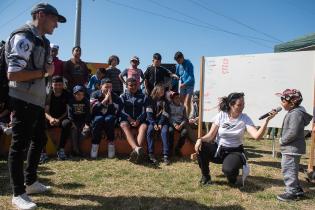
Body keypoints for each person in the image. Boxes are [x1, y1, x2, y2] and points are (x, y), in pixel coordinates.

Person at [5, 3, 66, 209]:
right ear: (41, 15)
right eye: (55, 20)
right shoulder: (24, 37)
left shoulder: (43, 41)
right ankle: (18, 193)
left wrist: (46, 73)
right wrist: (44, 73)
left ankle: (30, 182)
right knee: (19, 145)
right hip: (22, 98)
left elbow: (46, 68)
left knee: (39, 139)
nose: (56, 25)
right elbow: (13, 74)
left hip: (37, 100)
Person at [195, 92, 276, 186]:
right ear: (231, 105)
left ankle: (232, 177)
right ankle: (206, 176)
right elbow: (210, 136)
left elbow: (256, 136)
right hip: (219, 150)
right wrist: (200, 139)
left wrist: (266, 121)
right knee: (201, 146)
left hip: (234, 151)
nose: (242, 107)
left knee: (228, 170)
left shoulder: (245, 118)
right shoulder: (221, 115)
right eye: (239, 105)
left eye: (243, 104)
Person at [276, 89, 312, 202]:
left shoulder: (295, 114)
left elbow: (293, 132)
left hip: (291, 148)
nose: (281, 102)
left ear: (292, 103)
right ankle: (296, 188)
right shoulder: (296, 111)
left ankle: (292, 192)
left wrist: (283, 140)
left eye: (283, 100)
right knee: (292, 169)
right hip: (293, 148)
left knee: (288, 169)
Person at [40, 76, 70, 162]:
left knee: (67, 123)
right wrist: (51, 119)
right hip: (49, 118)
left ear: (62, 85)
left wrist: (58, 120)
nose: (57, 87)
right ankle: (43, 153)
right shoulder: (48, 94)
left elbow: (67, 111)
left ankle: (61, 150)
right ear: (51, 85)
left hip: (62, 118)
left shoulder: (67, 94)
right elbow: (45, 111)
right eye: (55, 85)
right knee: (40, 124)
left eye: (60, 85)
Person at [90, 78, 121, 159]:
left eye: (110, 87)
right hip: (97, 116)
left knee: (109, 119)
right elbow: (94, 110)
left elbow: (114, 112)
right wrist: (105, 100)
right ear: (101, 86)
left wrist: (110, 100)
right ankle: (95, 145)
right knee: (98, 119)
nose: (108, 89)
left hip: (109, 116)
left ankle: (111, 144)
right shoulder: (94, 94)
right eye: (106, 87)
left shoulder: (115, 96)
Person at [57, 85, 90, 158]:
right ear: (74, 94)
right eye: (78, 94)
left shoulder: (86, 101)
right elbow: (70, 114)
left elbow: (88, 114)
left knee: (86, 131)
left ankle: (76, 149)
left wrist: (87, 124)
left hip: (83, 122)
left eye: (82, 94)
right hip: (74, 121)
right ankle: (75, 150)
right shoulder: (71, 102)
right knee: (74, 130)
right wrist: (72, 123)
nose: (80, 96)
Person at [120, 78, 148, 163]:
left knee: (144, 126)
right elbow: (120, 111)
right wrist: (129, 119)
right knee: (123, 125)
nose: (133, 87)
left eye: (135, 85)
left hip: (139, 120)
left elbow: (144, 111)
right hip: (127, 119)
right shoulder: (122, 96)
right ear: (127, 86)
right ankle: (136, 149)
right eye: (131, 85)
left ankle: (135, 152)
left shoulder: (143, 96)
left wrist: (138, 120)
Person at [146, 84, 171, 165]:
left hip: (163, 122)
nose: (163, 92)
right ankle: (150, 154)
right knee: (150, 131)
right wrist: (153, 124)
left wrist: (160, 123)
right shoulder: (150, 100)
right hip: (152, 121)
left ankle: (166, 155)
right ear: (156, 90)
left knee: (164, 132)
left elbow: (166, 113)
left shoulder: (165, 101)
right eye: (161, 90)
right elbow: (149, 113)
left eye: (163, 90)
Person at [168, 92, 192, 157]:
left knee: (185, 132)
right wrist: (175, 124)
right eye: (175, 98)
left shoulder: (183, 107)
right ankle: (170, 149)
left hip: (180, 123)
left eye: (178, 97)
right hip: (172, 123)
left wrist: (181, 125)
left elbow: (185, 118)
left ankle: (178, 148)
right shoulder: (169, 106)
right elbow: (169, 117)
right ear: (172, 99)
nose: (177, 99)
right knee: (170, 131)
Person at [174, 51, 195, 117]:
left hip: (190, 85)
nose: (178, 62)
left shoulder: (189, 64)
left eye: (179, 60)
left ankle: (187, 118)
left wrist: (184, 84)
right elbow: (177, 76)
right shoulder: (178, 65)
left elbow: (191, 77)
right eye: (177, 61)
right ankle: (181, 117)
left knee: (187, 102)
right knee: (181, 102)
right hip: (183, 85)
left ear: (182, 57)